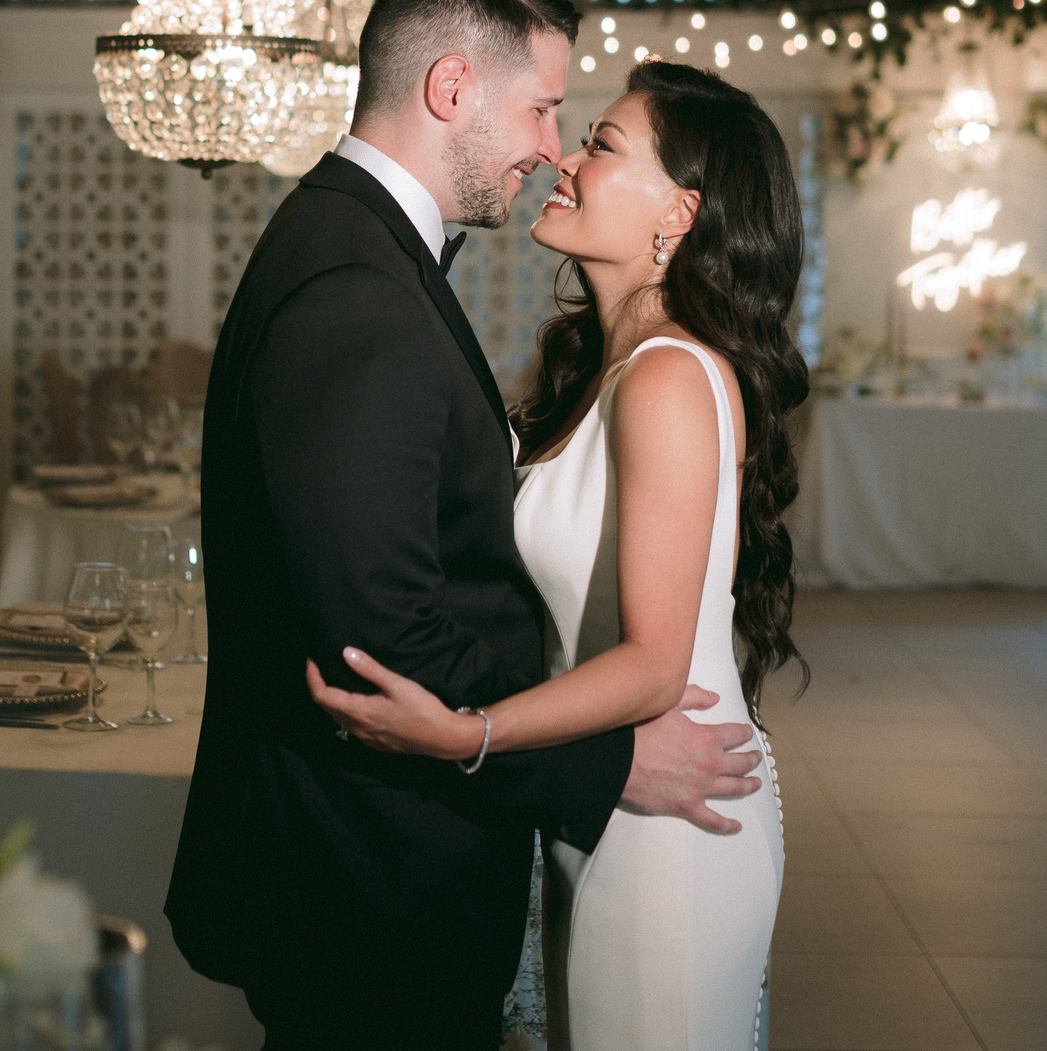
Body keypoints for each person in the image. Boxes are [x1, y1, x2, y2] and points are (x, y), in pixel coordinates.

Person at [167, 0, 766, 1051]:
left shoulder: (362, 253)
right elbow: (379, 636)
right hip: (361, 867)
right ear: (451, 89)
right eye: (543, 110)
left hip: (407, 858)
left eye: (580, 129)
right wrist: (604, 762)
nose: (552, 147)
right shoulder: (360, 286)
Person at [312, 59, 806, 1051]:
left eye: (602, 144)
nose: (563, 158)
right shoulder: (608, 363)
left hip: (672, 832)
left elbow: (655, 660)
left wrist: (464, 732)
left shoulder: (669, 375)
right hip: (611, 797)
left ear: (682, 210)